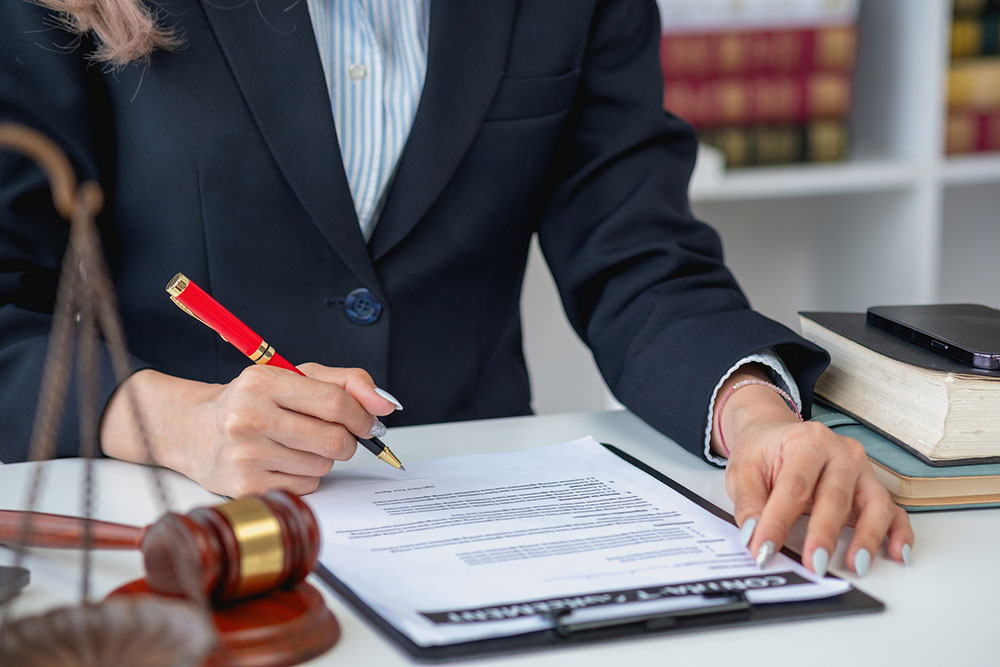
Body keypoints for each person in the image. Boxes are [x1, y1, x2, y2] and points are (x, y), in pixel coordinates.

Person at [0, 0, 912, 577]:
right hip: (177, 543)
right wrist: (183, 421)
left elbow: (637, 253)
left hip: (482, 534)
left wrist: (757, 417)